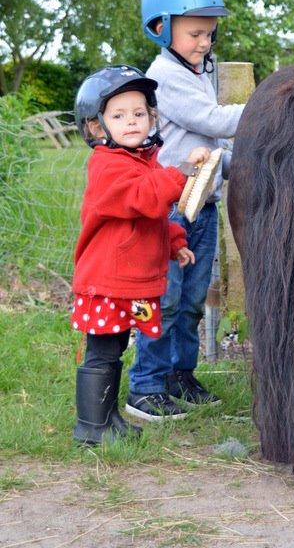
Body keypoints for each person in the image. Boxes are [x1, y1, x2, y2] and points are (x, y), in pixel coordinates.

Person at [126, 0, 245, 421]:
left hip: (201, 209)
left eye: (210, 34)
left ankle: (180, 375)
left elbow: (211, 149)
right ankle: (146, 386)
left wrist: (241, 163)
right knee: (164, 299)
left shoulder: (196, 73)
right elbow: (214, 124)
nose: (204, 43)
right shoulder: (165, 75)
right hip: (169, 212)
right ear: (161, 27)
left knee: (193, 300)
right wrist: (270, 109)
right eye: (195, 33)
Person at [71, 64, 210, 444]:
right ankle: (90, 427)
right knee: (102, 351)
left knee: (116, 348)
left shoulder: (141, 162)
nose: (131, 122)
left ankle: (108, 416)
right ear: (97, 127)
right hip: (106, 282)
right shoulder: (108, 166)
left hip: (127, 281)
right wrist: (182, 170)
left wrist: (175, 243)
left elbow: (152, 222)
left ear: (152, 118)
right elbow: (146, 198)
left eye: (139, 113)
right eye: (118, 115)